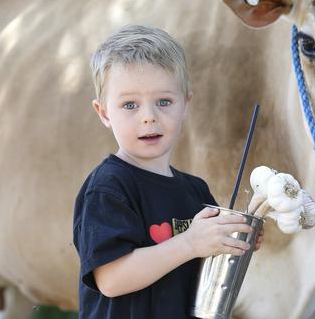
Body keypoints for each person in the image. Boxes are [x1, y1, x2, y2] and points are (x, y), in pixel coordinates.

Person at [73, 25, 262, 319]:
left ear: (185, 104)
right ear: (104, 113)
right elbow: (110, 279)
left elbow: (199, 269)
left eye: (164, 102)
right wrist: (189, 242)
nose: (149, 117)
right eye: (130, 105)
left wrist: (227, 241)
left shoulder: (195, 190)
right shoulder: (109, 187)